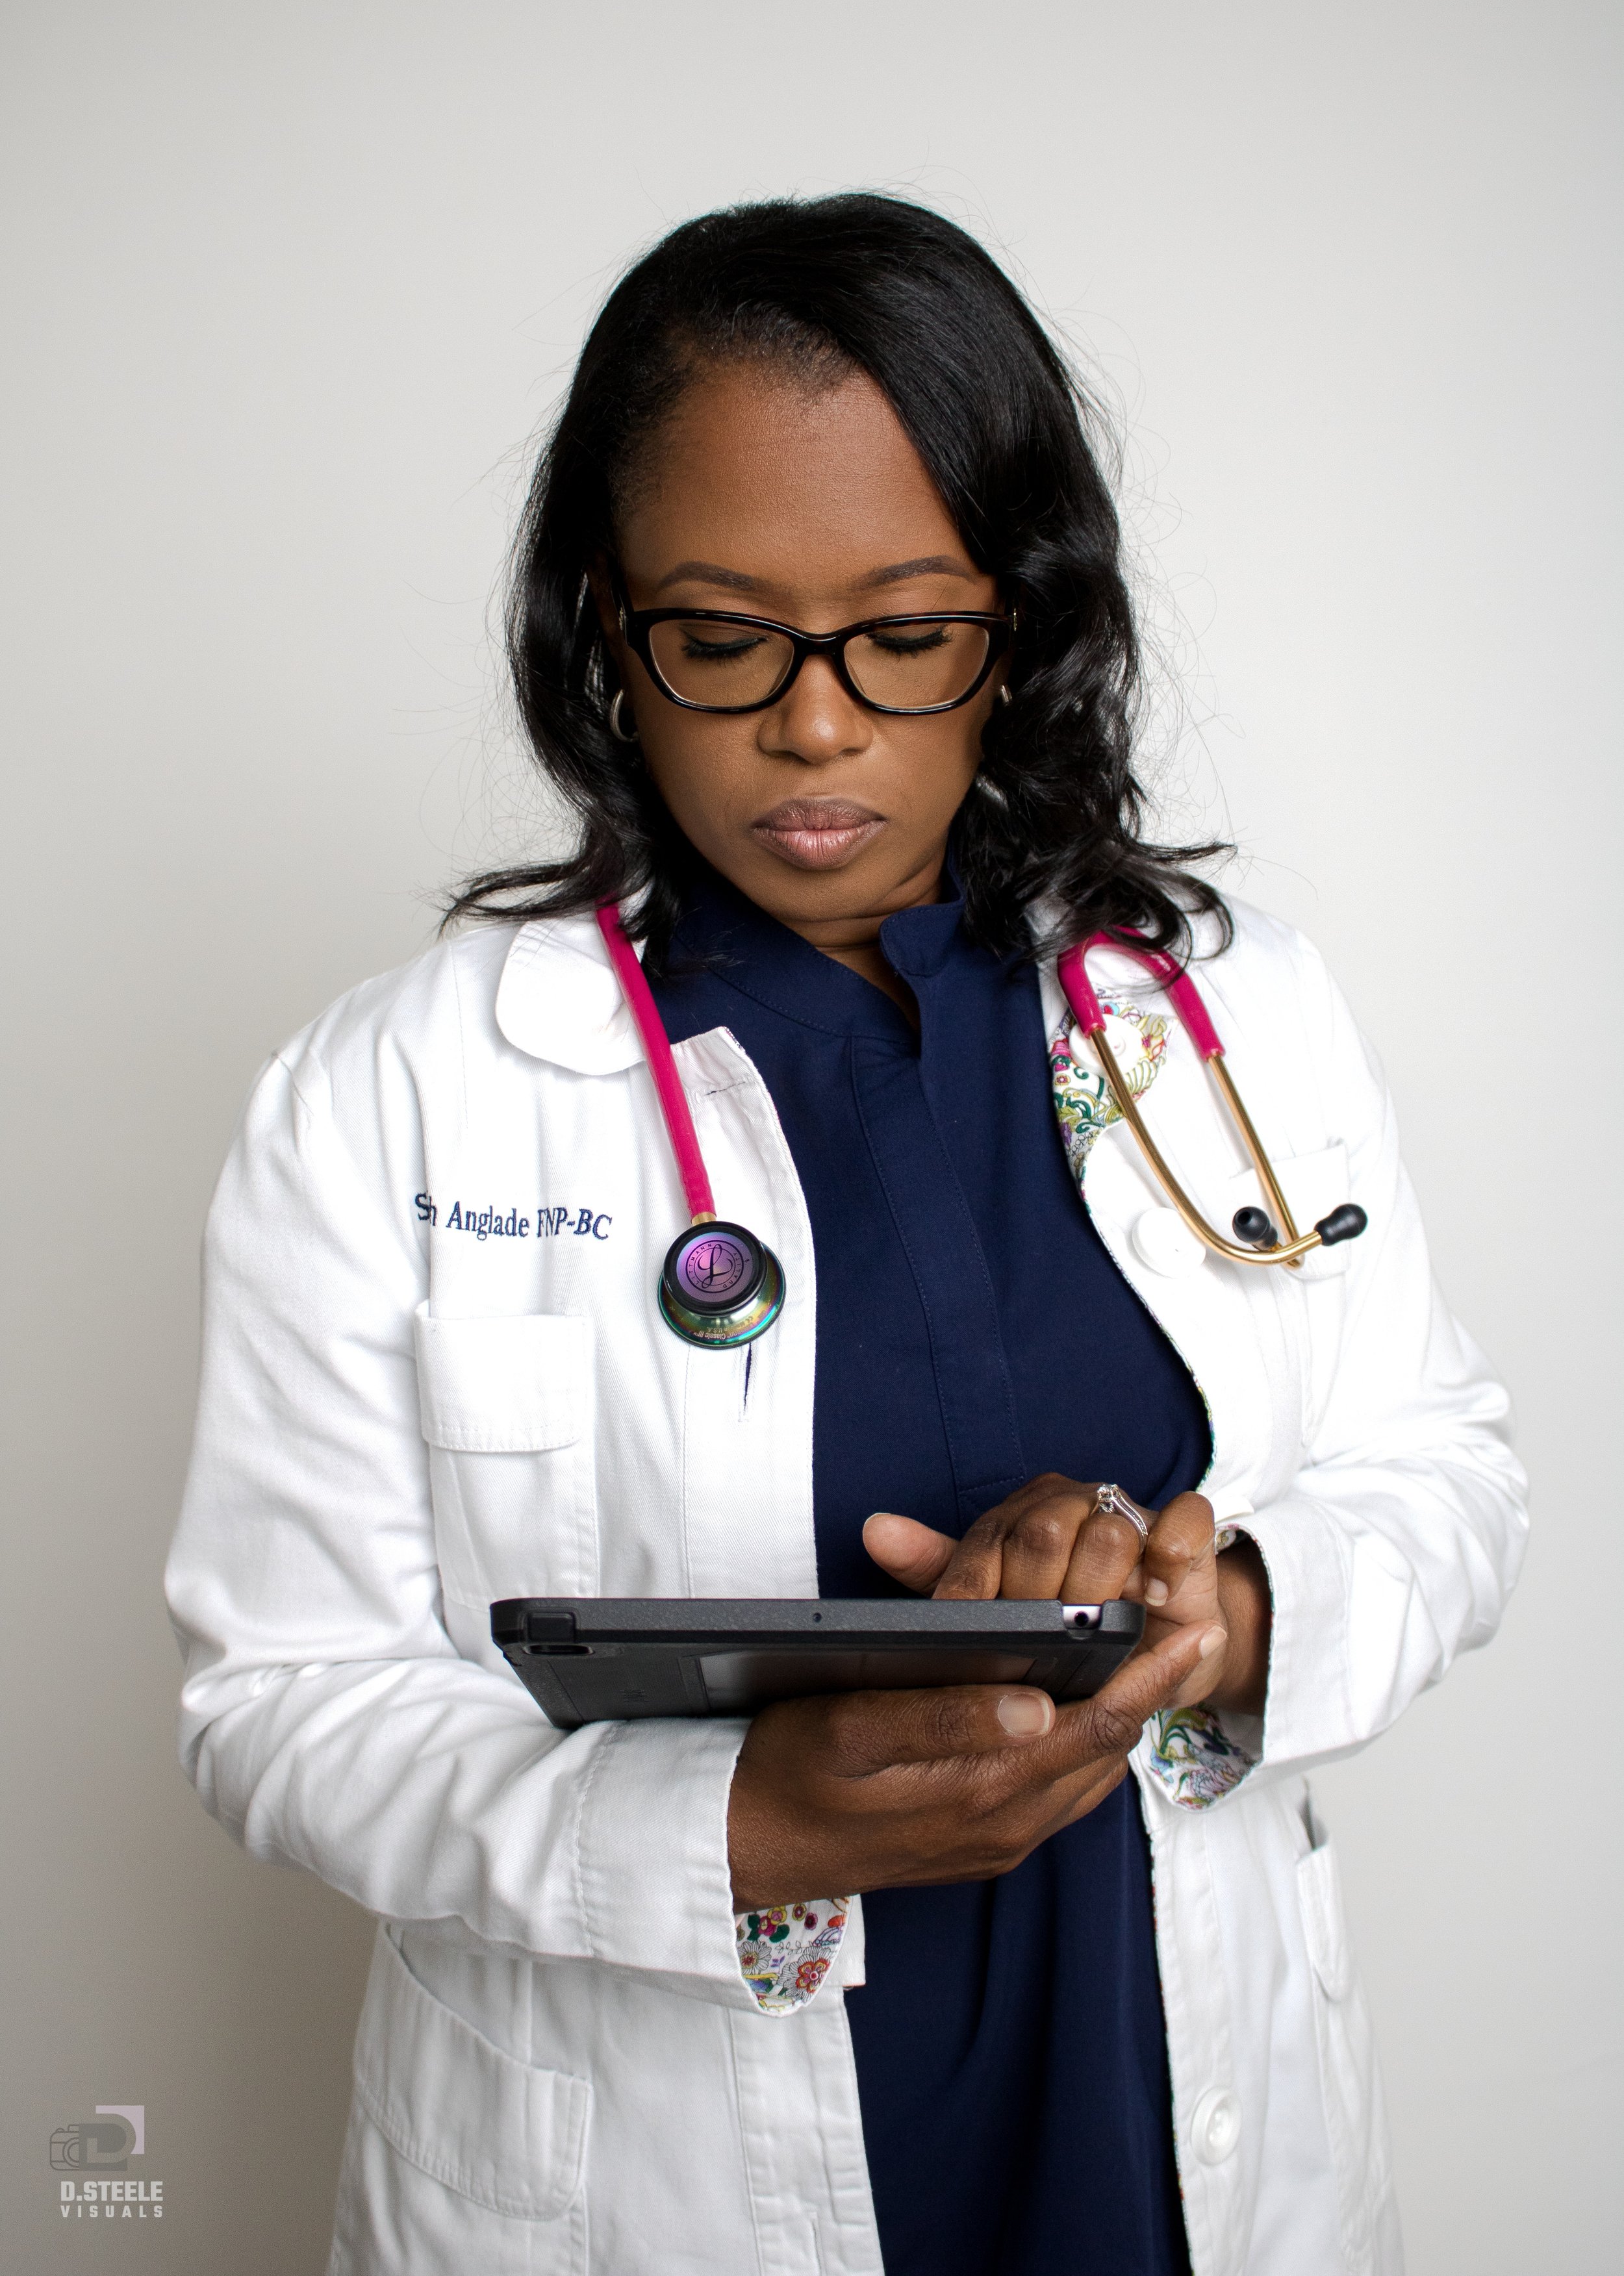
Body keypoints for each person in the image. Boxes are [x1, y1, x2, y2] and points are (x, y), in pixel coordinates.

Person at [165, 195, 1525, 2276]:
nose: (814, 727)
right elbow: (280, 1696)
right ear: (605, 629)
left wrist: (1227, 1604)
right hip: (649, 2177)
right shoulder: (396, 1091)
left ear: (1022, 622)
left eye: (905, 635)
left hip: (1157, 2119)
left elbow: (1445, 1473)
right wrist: (732, 1826)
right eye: (721, 639)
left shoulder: (1233, 1014)